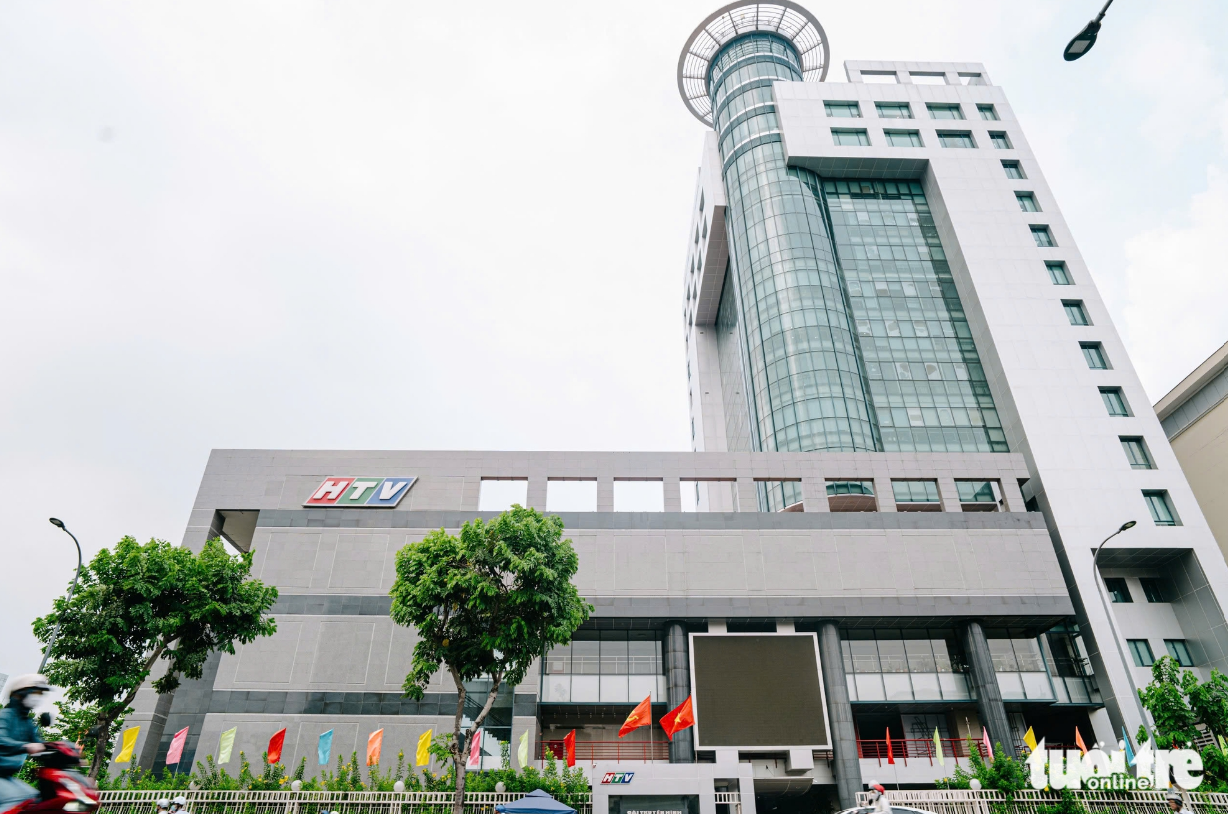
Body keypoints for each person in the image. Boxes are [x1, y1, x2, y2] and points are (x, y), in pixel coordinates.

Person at [0, 675, 50, 813]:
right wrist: (25, 746)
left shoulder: (27, 722)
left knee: (35, 799)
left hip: (6, 776)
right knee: (17, 799)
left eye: (41, 694)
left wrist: (64, 751)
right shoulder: (5, 715)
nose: (38, 697)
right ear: (21, 693)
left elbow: (39, 744)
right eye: (36, 692)